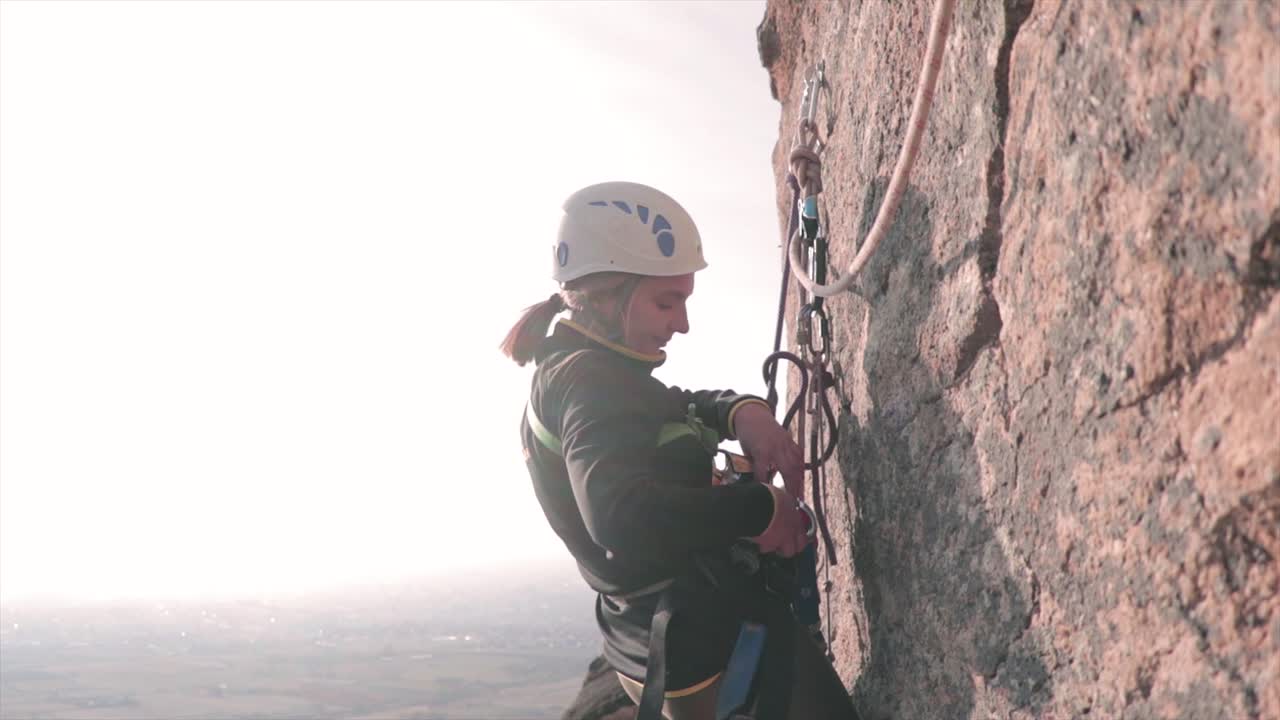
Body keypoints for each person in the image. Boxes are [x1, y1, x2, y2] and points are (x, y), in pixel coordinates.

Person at [501, 181, 859, 720]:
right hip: (701, 642)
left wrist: (740, 411)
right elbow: (620, 518)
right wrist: (761, 509)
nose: (682, 323)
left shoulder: (583, 368)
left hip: (655, 633)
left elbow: (669, 409)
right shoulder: (589, 385)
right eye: (666, 302)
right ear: (607, 295)